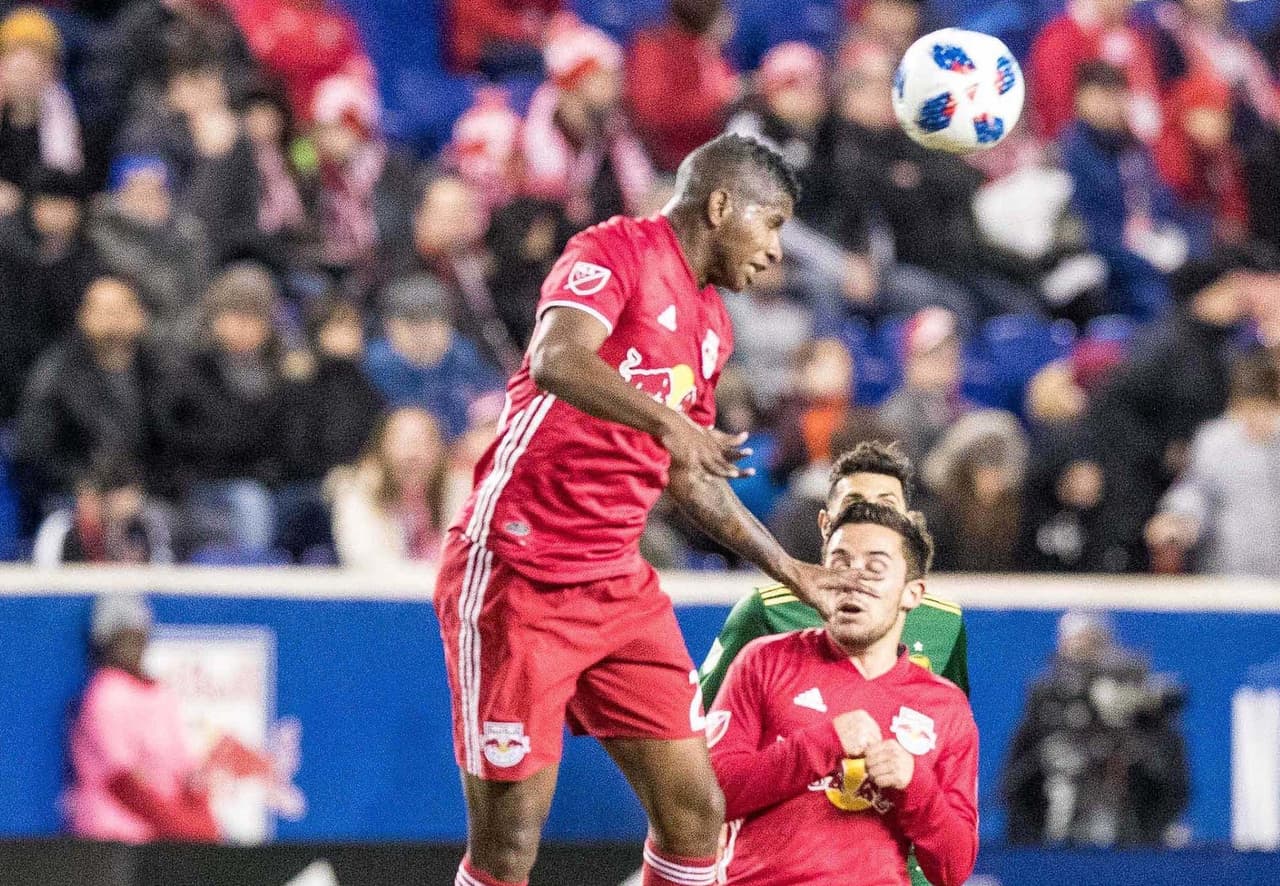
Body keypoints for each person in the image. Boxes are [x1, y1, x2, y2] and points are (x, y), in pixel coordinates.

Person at [433, 133, 859, 886]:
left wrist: (790, 569)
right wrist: (670, 423)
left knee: (697, 814)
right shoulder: (614, 250)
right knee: (507, 846)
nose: (775, 252)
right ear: (720, 206)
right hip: (517, 573)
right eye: (771, 225)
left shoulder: (712, 326)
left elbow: (688, 477)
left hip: (616, 584)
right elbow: (556, 359)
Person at [698, 440, 968, 886]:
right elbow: (703, 783)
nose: (855, 579)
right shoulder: (764, 639)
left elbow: (953, 861)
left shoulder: (946, 644)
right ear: (825, 529)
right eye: (842, 562)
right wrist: (821, 744)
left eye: (875, 567)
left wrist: (914, 785)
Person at [1001, 610, 1189, 846]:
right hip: (1053, 842)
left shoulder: (1143, 718)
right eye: (1075, 648)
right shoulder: (1045, 710)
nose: (1083, 659)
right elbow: (1016, 786)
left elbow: (1172, 787)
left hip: (1131, 841)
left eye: (1092, 646)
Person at [64, 594, 220, 843]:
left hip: (166, 831)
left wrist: (200, 817)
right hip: (116, 833)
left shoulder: (161, 693)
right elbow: (122, 781)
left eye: (137, 637)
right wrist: (180, 825)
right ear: (105, 644)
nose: (132, 647)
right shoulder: (105, 693)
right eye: (122, 639)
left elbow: (184, 767)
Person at [1060, 61, 1188, 320]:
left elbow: (1159, 198)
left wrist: (1169, 234)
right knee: (1153, 297)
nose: (1109, 106)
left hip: (1147, 246)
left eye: (1116, 95)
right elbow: (1087, 226)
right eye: (1100, 97)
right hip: (1108, 264)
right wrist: (1140, 256)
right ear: (1080, 100)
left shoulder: (1133, 146)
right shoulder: (1073, 153)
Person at [13, 277, 157, 505]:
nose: (114, 319)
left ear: (140, 315)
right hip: (71, 495)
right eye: (105, 310)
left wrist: (144, 488)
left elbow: (177, 445)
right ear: (83, 316)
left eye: (122, 309)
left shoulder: (161, 369)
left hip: (150, 494)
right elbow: (34, 450)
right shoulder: (55, 373)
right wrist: (83, 485)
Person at [1144, 350, 1280, 576]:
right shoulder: (1215, 439)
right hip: (1225, 574)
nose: (1256, 420)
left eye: (1264, 410)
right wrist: (1178, 519)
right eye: (1247, 410)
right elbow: (1196, 490)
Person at [364, 273, 504, 441]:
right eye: (411, 323)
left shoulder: (462, 353)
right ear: (390, 326)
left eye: (432, 321)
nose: (422, 333)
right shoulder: (375, 364)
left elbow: (493, 393)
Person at [326, 406, 448, 568]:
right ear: (381, 448)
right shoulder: (358, 494)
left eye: (424, 442)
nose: (413, 453)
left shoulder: (457, 493)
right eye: (403, 442)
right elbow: (367, 563)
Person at [626, 0, 739, 172]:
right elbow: (654, 111)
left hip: (709, 160)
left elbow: (727, 89)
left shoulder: (711, 51)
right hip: (663, 164)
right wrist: (714, 102)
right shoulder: (654, 48)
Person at [32, 458, 174, 566]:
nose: (88, 506)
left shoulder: (135, 527)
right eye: (83, 499)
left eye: (94, 500)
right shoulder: (59, 526)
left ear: (104, 502)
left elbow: (162, 565)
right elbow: (44, 573)